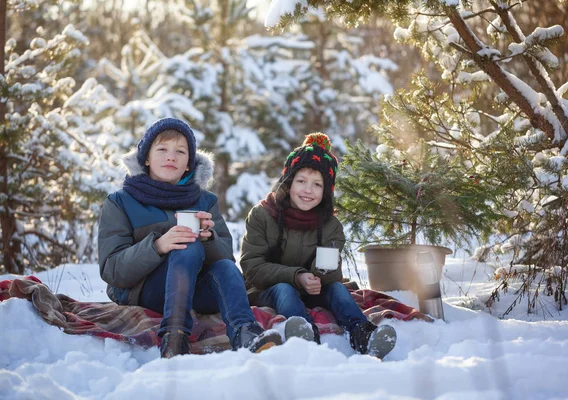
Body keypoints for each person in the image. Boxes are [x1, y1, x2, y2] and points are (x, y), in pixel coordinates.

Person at [98, 118, 282, 358]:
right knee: (187, 245)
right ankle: (175, 336)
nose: (171, 157)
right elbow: (112, 270)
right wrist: (157, 246)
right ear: (145, 158)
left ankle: (245, 333)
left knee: (224, 266)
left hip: (198, 291)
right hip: (149, 291)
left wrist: (209, 239)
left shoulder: (206, 201)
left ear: (188, 164)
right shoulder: (121, 202)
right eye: (162, 149)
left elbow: (226, 256)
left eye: (180, 151)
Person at [240, 133, 397, 359]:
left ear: (326, 191)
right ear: (288, 182)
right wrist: (296, 276)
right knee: (286, 289)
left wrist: (319, 275)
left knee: (337, 289)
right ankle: (303, 333)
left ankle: (363, 334)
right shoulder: (263, 215)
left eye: (317, 184)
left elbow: (332, 273)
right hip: (269, 288)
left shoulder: (330, 225)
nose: (308, 190)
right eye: (301, 181)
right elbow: (252, 266)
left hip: (314, 288)